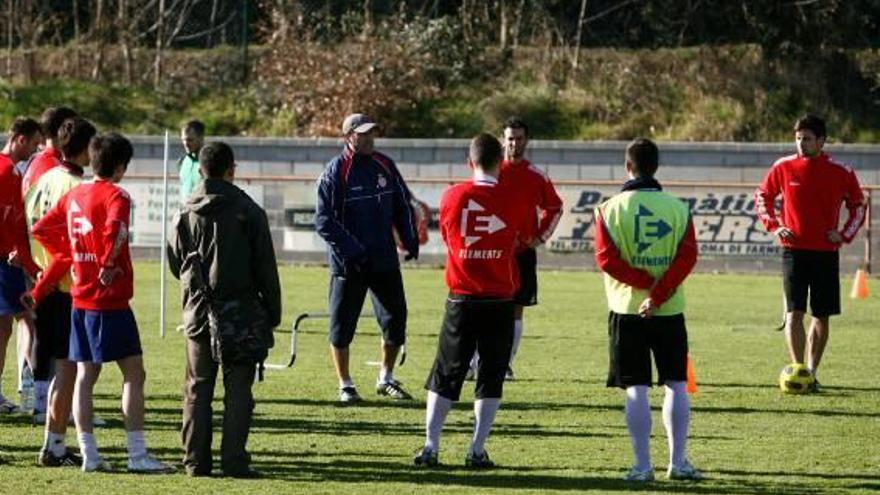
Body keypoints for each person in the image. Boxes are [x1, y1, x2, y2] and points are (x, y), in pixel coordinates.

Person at [29, 132, 173, 473]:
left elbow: (42, 229)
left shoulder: (76, 193)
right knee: (134, 374)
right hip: (109, 300)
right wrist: (107, 263)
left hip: (79, 299)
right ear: (121, 167)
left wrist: (71, 254)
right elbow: (116, 229)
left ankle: (89, 455)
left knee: (84, 375)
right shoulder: (117, 196)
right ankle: (137, 455)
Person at [168, 142, 281, 478]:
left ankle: (195, 461)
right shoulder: (249, 211)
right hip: (242, 311)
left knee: (198, 387)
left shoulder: (184, 212)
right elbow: (266, 269)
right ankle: (233, 460)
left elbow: (177, 265)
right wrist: (272, 314)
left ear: (200, 169)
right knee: (238, 390)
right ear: (232, 169)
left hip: (200, 309)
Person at [413, 133, 526, 469]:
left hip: (461, 296)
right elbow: (516, 240)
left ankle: (431, 446)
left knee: (446, 373)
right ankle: (476, 449)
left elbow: (448, 238)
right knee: (491, 375)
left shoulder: (451, 196)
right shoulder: (513, 197)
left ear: (469, 161)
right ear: (500, 162)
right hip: (500, 298)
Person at [593, 138, 701, 482]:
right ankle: (678, 463)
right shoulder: (679, 209)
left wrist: (643, 287)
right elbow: (687, 258)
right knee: (676, 383)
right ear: (656, 167)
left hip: (626, 310)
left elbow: (606, 259)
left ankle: (642, 467)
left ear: (628, 167)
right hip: (669, 310)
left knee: (636, 387)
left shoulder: (608, 209)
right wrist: (658, 294)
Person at [754, 114, 866, 391]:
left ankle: (812, 371)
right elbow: (762, 196)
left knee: (821, 315)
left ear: (822, 141)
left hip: (825, 253)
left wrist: (843, 234)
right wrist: (775, 226)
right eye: (798, 138)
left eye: (807, 138)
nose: (801, 143)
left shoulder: (842, 172)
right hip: (793, 252)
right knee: (794, 313)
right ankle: (798, 368)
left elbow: (858, 206)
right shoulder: (783, 167)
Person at [315, 113, 419, 404]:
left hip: (384, 259)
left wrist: (409, 240)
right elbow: (324, 221)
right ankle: (345, 384)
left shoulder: (385, 164)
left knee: (396, 321)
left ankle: (385, 377)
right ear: (349, 137)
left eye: (372, 132)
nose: (370, 138)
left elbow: (402, 205)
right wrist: (353, 251)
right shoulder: (335, 172)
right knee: (341, 327)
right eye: (363, 134)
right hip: (349, 264)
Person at [23, 116, 96, 467]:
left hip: (41, 280)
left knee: (59, 366)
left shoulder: (44, 178)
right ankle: (53, 446)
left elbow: (30, 226)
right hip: (66, 286)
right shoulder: (73, 187)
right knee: (68, 369)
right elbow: (76, 240)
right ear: (85, 149)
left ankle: (53, 442)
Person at [469, 117, 562, 381]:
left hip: (521, 253)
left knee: (516, 309)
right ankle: (473, 361)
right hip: (492, 252)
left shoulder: (536, 176)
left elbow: (554, 207)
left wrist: (539, 237)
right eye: (510, 138)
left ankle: (504, 363)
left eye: (519, 138)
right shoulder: (491, 171)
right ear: (502, 140)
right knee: (482, 306)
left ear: (527, 141)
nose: (514, 144)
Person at [0, 117, 43, 413]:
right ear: (19, 139)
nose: (35, 150)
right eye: (34, 143)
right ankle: (31, 386)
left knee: (11, 325)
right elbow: (10, 224)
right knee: (25, 320)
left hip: (9, 260)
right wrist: (24, 260)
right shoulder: (6, 171)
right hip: (4, 261)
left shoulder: (10, 170)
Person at [178, 120, 205, 200]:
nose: (186, 143)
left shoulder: (210, 162)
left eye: (190, 140)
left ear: (201, 138)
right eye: (183, 140)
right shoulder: (182, 161)